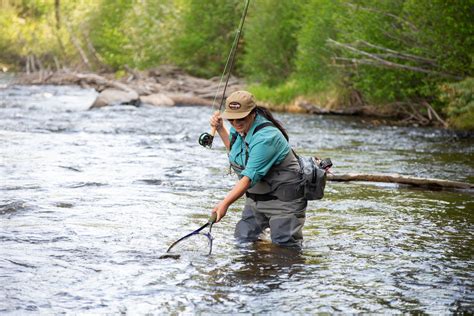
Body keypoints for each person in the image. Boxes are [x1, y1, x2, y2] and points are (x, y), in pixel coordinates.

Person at [209, 90, 307, 248]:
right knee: (243, 242)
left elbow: (248, 177)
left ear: (253, 113)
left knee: (285, 251)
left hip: (284, 203)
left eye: (241, 117)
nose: (236, 122)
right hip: (256, 200)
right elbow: (237, 155)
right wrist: (221, 129)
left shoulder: (266, 138)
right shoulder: (238, 129)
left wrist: (224, 203)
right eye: (231, 119)